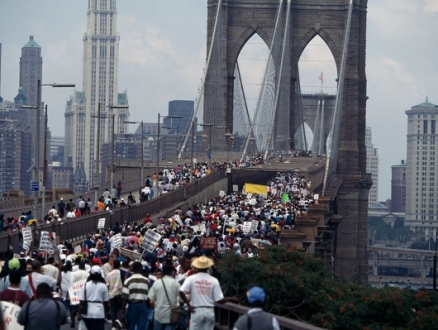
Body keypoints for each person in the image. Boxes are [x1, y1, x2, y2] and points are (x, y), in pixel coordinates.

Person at [179, 256, 237, 330]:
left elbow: (181, 291)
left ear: (197, 266)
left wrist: (188, 304)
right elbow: (219, 300)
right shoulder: (213, 280)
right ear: (208, 267)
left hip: (196, 310)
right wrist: (231, 298)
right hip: (209, 310)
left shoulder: (191, 278)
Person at [148, 264, 181, 330]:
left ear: (162, 273)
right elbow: (181, 300)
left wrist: (156, 308)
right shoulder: (176, 283)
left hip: (158, 314)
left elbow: (151, 302)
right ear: (172, 273)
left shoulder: (157, 283)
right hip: (171, 315)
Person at [77, 265, 110, 330]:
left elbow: (81, 301)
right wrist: (106, 312)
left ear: (90, 274)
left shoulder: (86, 285)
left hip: (87, 313)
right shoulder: (103, 286)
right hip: (99, 313)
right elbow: (106, 302)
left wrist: (79, 313)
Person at [121, 261, 150, 330]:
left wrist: (123, 312)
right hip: (143, 306)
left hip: (132, 306)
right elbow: (149, 296)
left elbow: (125, 298)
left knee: (131, 325)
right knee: (142, 326)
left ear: (132, 269)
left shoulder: (128, 281)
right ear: (141, 269)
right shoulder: (146, 281)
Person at [106, 259, 123, 329]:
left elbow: (107, 285)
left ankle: (114, 325)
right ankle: (118, 322)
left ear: (113, 265)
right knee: (119, 309)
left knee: (113, 310)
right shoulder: (121, 272)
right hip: (119, 293)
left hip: (112, 295)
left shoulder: (109, 274)